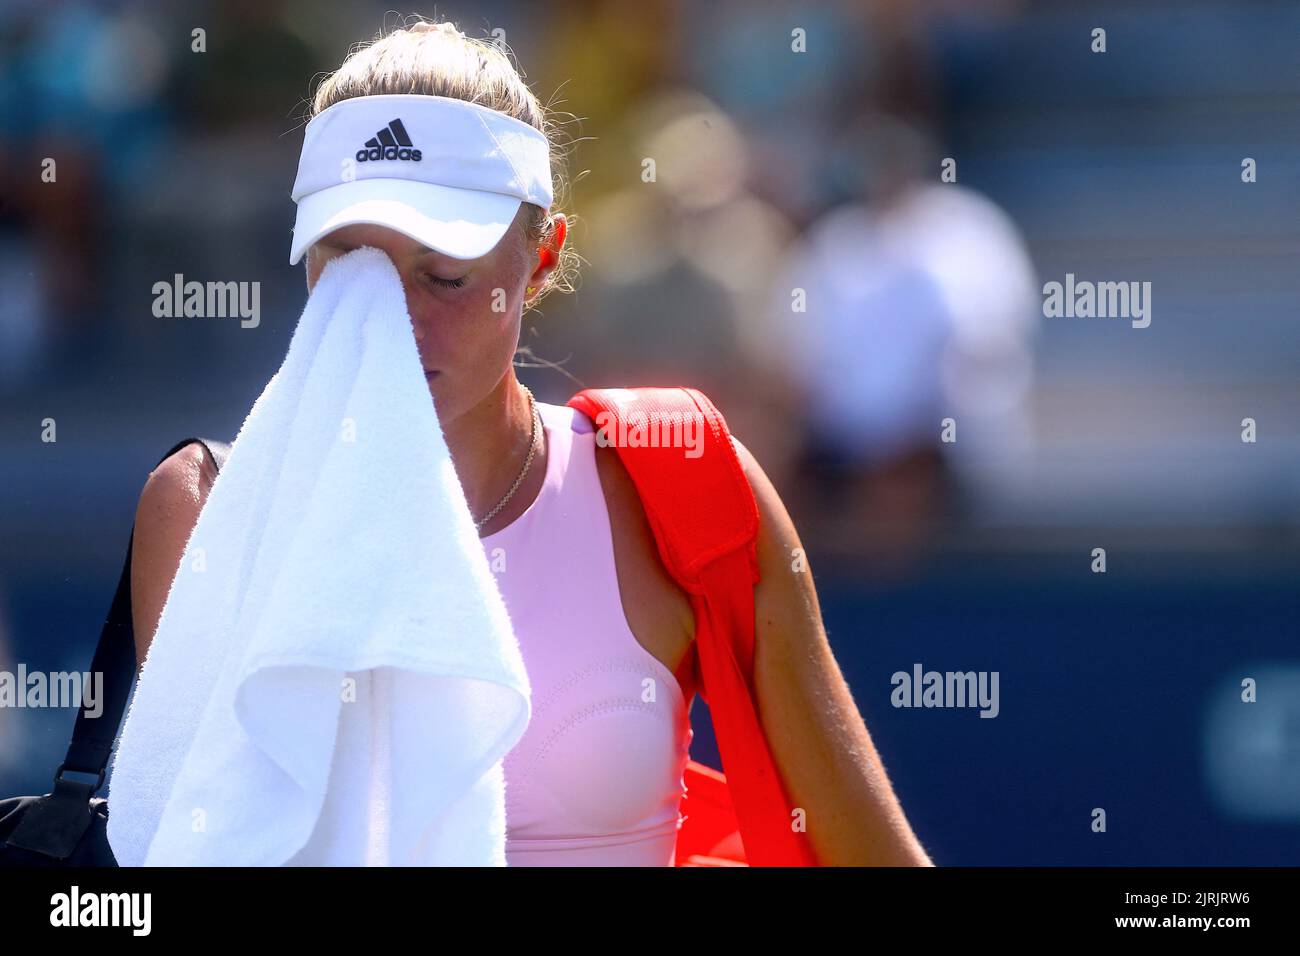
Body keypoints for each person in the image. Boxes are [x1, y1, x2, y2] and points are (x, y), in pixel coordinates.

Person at [128, 17, 932, 867]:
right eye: (349, 269)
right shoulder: (201, 509)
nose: (395, 322)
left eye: (446, 277)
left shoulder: (682, 479)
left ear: (542, 257)